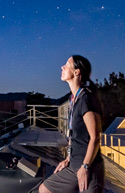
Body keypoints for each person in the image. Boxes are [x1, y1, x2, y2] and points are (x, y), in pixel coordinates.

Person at [38, 55, 104, 193]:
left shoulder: (86, 99)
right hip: (73, 165)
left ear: (77, 72)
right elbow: (74, 136)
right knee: (44, 189)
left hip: (88, 167)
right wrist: (67, 159)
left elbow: (95, 137)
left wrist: (85, 167)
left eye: (67, 64)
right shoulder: (72, 99)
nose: (62, 67)